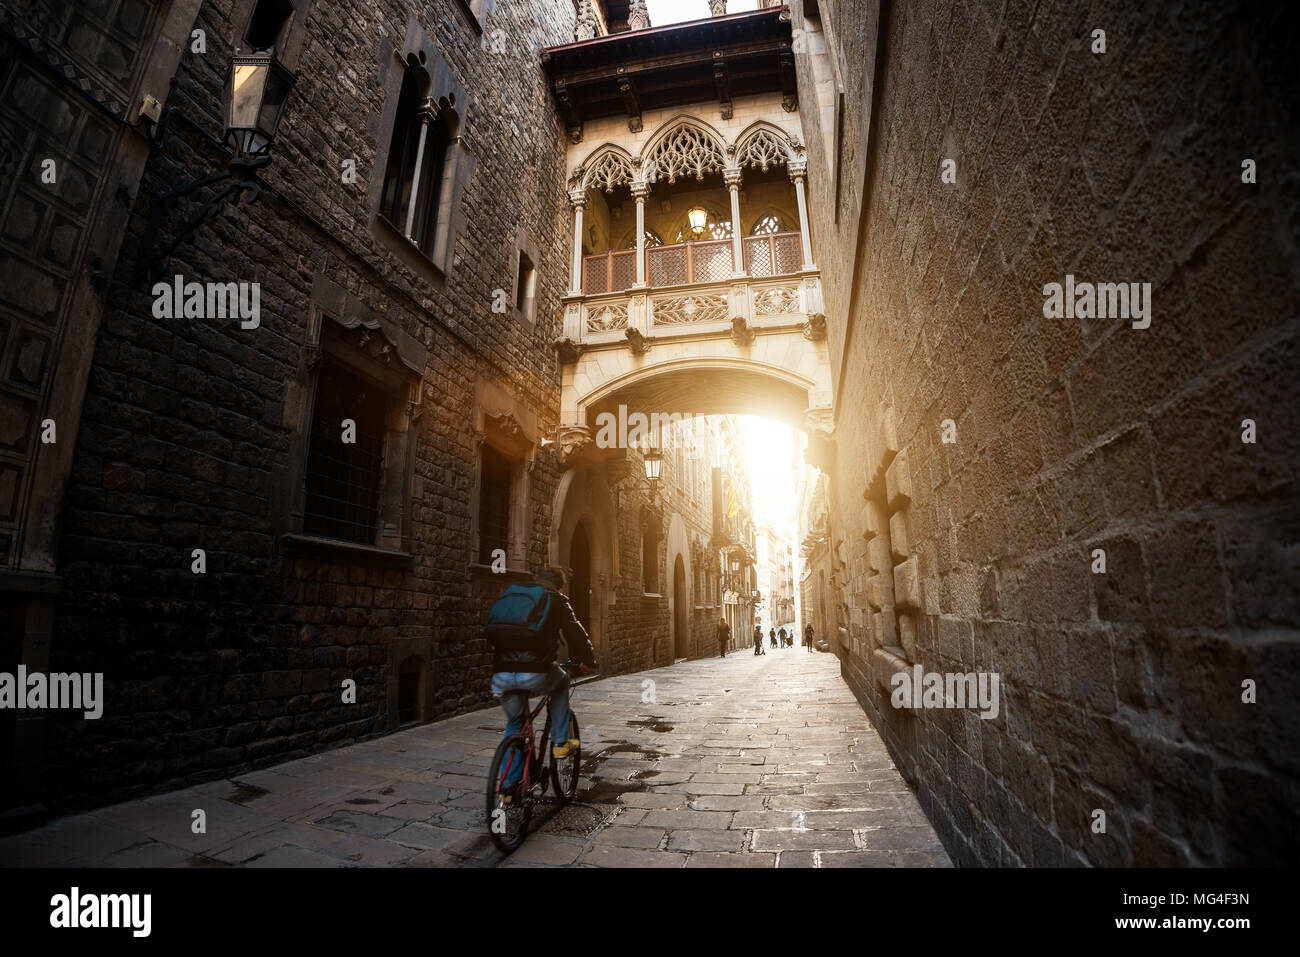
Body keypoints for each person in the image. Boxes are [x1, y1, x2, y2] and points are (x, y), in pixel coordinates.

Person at [484, 568, 596, 792]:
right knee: (561, 681)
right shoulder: (556, 599)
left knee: (516, 724)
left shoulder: (513, 596)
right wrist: (588, 660)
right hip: (535, 671)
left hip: (501, 674)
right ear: (560, 586)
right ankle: (561, 743)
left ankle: (508, 788)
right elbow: (576, 632)